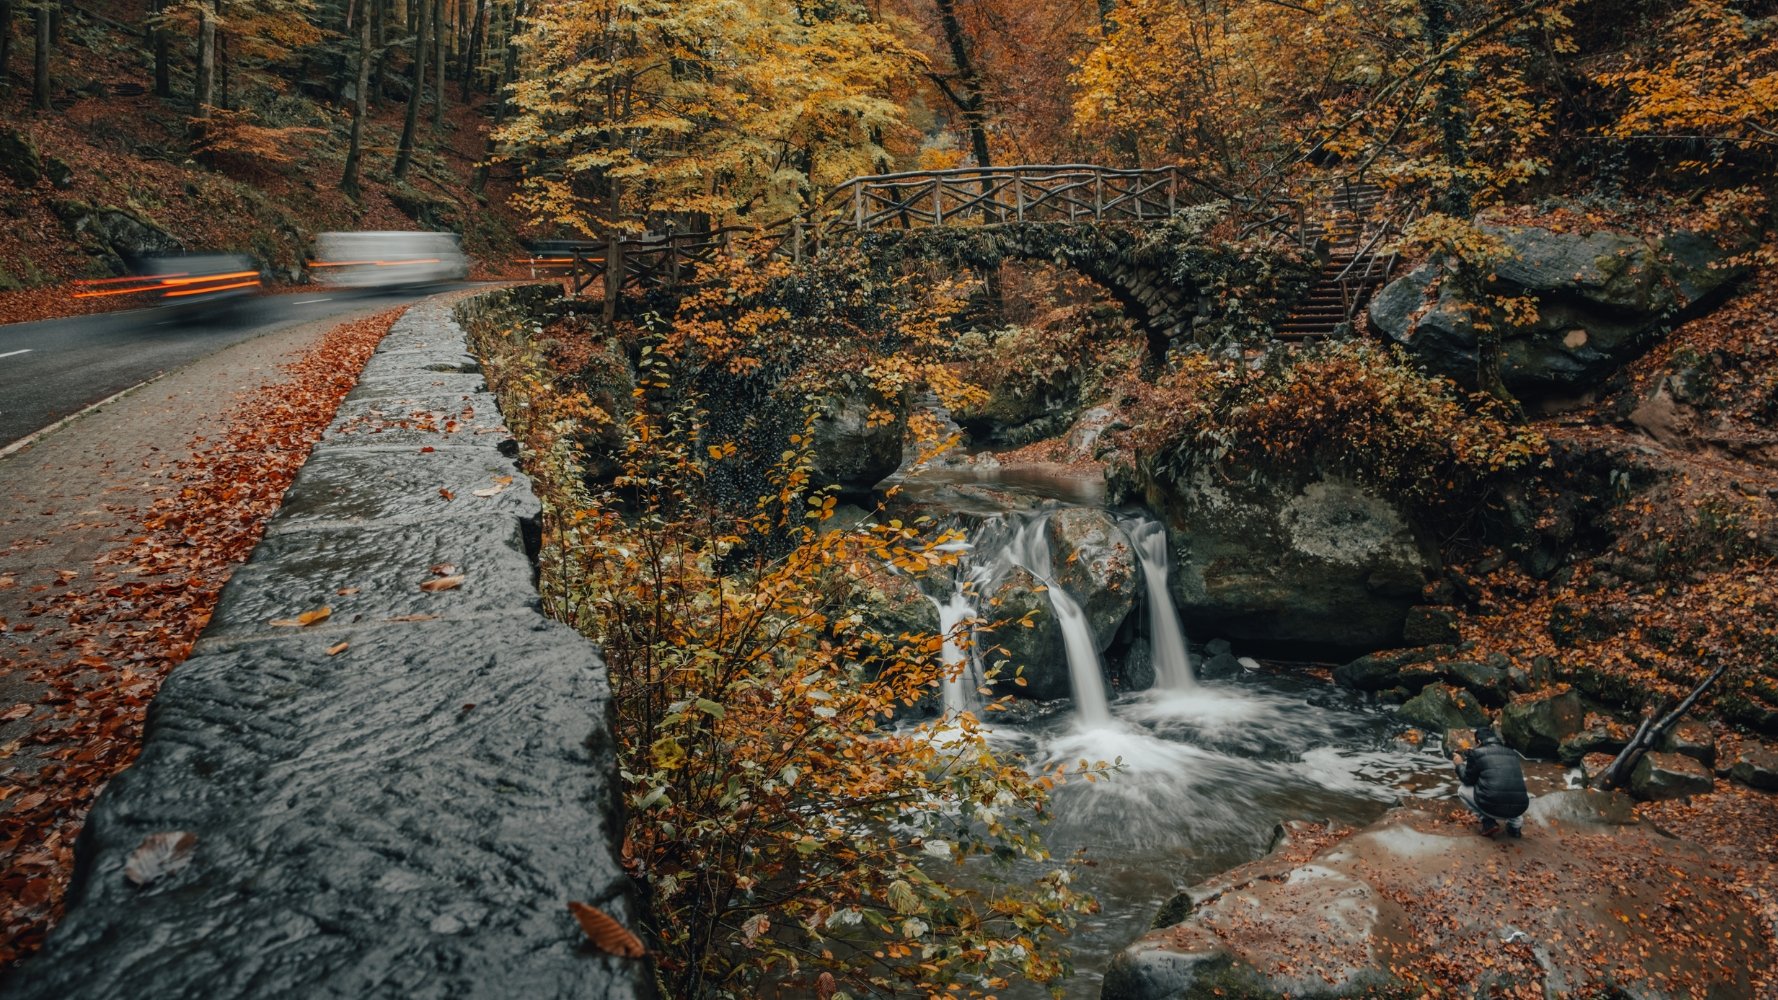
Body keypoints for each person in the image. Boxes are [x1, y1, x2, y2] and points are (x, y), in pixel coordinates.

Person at [1453, 725, 1529, 837]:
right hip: (1519, 807)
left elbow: (1467, 780)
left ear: (1478, 741)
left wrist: (1459, 765)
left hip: (1493, 807)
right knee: (1511, 790)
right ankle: (1515, 826)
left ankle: (1487, 822)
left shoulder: (1477, 754)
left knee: (1462, 790)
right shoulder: (1512, 754)